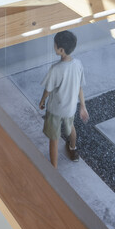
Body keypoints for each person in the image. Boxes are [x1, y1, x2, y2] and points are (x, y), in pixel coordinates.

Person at [39, 30, 89, 168]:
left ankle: (54, 169)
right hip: (70, 109)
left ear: (61, 50)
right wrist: (83, 106)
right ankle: (73, 149)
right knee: (71, 128)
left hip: (55, 110)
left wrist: (42, 101)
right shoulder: (78, 64)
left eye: (55, 45)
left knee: (54, 139)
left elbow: (48, 89)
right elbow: (79, 87)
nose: (53, 47)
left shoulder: (56, 68)